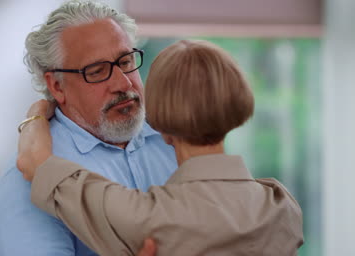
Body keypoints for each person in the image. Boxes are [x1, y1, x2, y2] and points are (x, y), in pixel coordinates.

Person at [17, 40, 304, 255]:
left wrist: (37, 114)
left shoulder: (144, 219)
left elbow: (34, 162)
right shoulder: (282, 206)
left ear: (157, 123)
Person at [0, 0, 176, 256]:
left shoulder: (176, 142)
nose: (123, 83)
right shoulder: (29, 179)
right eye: (97, 71)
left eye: (125, 61)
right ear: (57, 86)